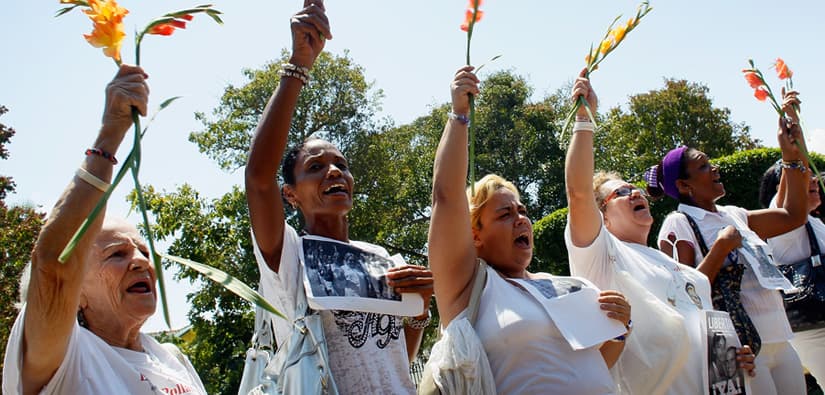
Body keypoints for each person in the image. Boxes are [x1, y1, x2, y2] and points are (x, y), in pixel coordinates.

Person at [244, 1, 433, 393]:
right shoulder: (289, 258)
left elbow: (396, 357)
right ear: (290, 196)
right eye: (315, 167)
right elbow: (258, 178)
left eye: (341, 165)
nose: (333, 171)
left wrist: (419, 308)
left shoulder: (381, 257)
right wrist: (299, 65)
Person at [427, 65, 632, 393]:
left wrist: (622, 327)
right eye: (505, 214)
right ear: (474, 234)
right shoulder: (467, 288)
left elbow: (591, 363)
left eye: (523, 211)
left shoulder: (567, 284)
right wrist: (459, 115)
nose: (522, 219)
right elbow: (446, 197)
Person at [2, 65, 206, 394]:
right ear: (76, 293)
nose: (141, 261)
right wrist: (110, 134)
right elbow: (54, 264)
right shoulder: (65, 357)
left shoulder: (172, 360)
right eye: (117, 254)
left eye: (142, 249)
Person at [563, 69, 753, 395]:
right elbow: (579, 194)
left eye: (635, 188)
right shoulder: (603, 254)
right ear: (602, 217)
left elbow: (703, 337)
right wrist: (584, 120)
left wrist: (735, 362)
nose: (635, 193)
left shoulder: (682, 270)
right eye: (620, 193)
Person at [653, 90, 807, 395]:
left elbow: (793, 215)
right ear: (684, 186)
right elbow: (685, 296)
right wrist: (721, 248)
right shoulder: (679, 224)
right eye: (704, 167)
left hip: (780, 337)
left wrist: (792, 153)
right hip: (740, 349)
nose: (715, 169)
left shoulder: (735, 214)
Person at [760, 163, 825, 382]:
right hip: (815, 328)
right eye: (804, 175)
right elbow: (783, 199)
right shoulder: (780, 219)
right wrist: (792, 154)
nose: (814, 180)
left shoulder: (815, 223)